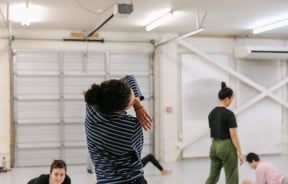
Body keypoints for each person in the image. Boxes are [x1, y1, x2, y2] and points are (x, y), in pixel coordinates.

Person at [84, 75, 152, 184]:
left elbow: (129, 78)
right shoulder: (130, 128)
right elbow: (136, 158)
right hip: (131, 180)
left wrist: (136, 104)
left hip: (104, 180)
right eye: (132, 103)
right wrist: (138, 106)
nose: (135, 100)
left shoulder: (92, 106)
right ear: (119, 110)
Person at [205, 81, 244, 184]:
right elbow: (233, 135)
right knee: (231, 177)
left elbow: (212, 134)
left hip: (214, 146)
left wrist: (215, 146)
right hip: (226, 146)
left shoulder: (211, 113)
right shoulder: (229, 114)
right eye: (232, 99)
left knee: (212, 177)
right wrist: (240, 153)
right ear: (227, 98)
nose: (231, 101)